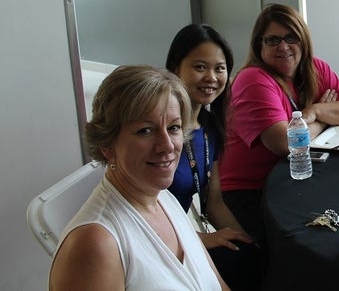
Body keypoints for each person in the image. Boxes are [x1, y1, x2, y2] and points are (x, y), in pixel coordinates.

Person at [50, 65, 230, 290]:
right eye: (145, 130)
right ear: (107, 144)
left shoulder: (163, 198)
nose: (167, 146)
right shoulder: (96, 245)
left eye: (173, 128)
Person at [219, 3, 339, 242]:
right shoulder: (253, 79)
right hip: (253, 191)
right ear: (259, 45)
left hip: (296, 178)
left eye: (291, 37)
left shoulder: (316, 68)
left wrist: (316, 110)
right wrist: (328, 121)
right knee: (315, 241)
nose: (283, 47)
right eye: (272, 40)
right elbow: (285, 143)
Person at [165, 24, 262, 290]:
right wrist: (197, 239)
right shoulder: (162, 134)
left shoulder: (209, 126)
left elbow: (214, 201)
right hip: (159, 243)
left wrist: (243, 240)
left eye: (219, 68)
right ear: (175, 69)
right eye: (199, 67)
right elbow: (140, 216)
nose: (211, 77)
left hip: (183, 236)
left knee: (256, 256)